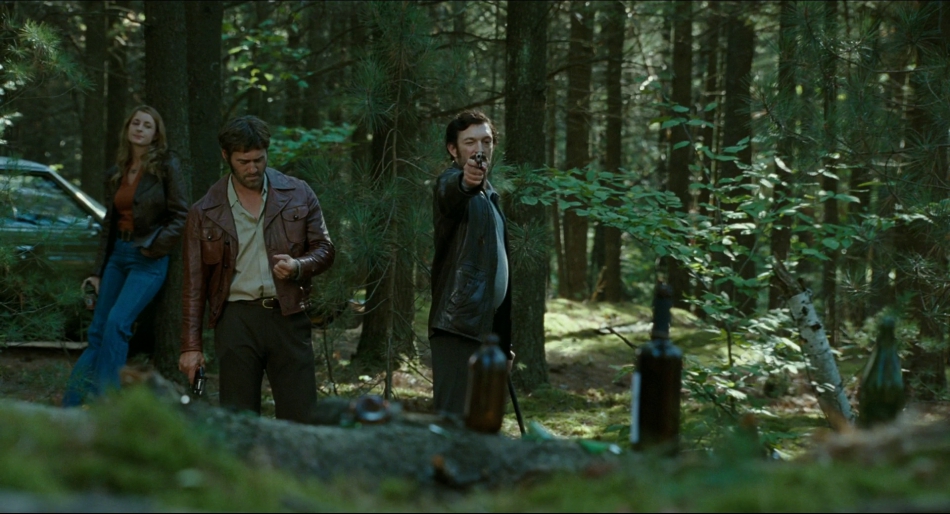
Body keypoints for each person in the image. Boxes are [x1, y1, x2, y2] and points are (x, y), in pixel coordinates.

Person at [179, 115, 334, 423]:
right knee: (239, 420)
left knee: (300, 417)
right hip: (236, 319)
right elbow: (194, 285)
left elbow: (325, 249)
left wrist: (298, 266)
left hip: (288, 315)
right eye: (244, 162)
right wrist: (191, 347)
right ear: (226, 157)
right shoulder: (205, 211)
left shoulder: (298, 192)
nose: (253, 168)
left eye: (259, 159)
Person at [63, 105, 189, 406]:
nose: (140, 129)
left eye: (147, 125)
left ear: (156, 134)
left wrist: (154, 248)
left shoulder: (166, 165)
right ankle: (71, 407)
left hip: (148, 258)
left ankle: (106, 406)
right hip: (117, 255)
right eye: (136, 123)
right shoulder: (118, 170)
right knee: (97, 332)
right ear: (128, 129)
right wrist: (97, 271)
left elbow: (181, 214)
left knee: (117, 324)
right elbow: (109, 224)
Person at [429, 110, 514, 416]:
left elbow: (495, 272)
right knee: (452, 420)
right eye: (470, 142)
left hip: (484, 328)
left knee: (481, 420)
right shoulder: (451, 182)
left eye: (486, 141)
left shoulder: (490, 197)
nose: (480, 149)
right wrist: (466, 181)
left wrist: (503, 344)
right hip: (458, 326)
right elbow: (452, 191)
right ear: (454, 149)